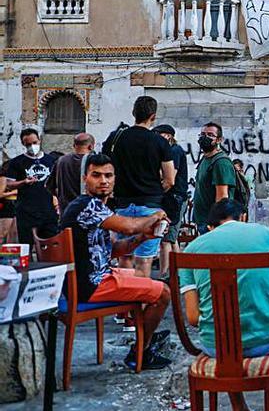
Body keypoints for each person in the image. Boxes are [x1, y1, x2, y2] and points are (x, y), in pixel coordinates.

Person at [179, 199, 269, 411]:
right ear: (243, 217)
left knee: (226, 336)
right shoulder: (267, 236)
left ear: (210, 227)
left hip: (215, 347)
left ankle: (240, 407)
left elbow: (193, 317)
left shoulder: (191, 250)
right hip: (267, 338)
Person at [60, 154, 172, 370]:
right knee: (164, 292)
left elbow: (114, 249)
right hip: (91, 285)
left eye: (108, 175)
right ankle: (141, 351)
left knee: (140, 277)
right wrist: (155, 216)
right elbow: (129, 226)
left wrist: (143, 237)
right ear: (85, 179)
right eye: (96, 175)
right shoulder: (87, 205)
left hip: (94, 277)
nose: (103, 180)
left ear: (114, 179)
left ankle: (143, 332)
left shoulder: (94, 207)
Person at [110, 96, 176, 279]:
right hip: (150, 207)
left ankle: (126, 304)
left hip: (122, 205)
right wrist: (153, 192)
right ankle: (142, 302)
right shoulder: (160, 142)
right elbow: (170, 180)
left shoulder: (118, 138)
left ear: (133, 113)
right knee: (145, 259)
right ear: (153, 116)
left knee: (124, 256)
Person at [5, 129, 59, 245]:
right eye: (28, 144)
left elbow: (57, 184)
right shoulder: (16, 162)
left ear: (39, 140)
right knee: (26, 245)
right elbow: (9, 185)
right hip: (26, 212)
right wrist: (23, 182)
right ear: (23, 144)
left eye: (34, 142)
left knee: (51, 245)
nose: (32, 146)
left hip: (48, 211)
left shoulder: (51, 160)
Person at [153, 125, 188, 279]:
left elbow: (170, 179)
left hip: (174, 199)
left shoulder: (174, 151)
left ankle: (165, 274)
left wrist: (156, 193)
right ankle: (178, 273)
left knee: (167, 239)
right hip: (175, 198)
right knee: (171, 239)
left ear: (167, 136)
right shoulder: (171, 151)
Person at [192, 122, 237, 235]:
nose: (205, 137)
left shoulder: (221, 162)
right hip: (203, 221)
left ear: (219, 140)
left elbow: (222, 197)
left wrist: (215, 224)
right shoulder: (205, 159)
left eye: (210, 135)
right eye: (202, 134)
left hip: (212, 224)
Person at [46, 132, 95, 215]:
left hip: (66, 211)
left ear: (74, 145)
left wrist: (62, 197)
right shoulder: (94, 161)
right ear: (91, 146)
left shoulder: (61, 161)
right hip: (89, 211)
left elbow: (49, 186)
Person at [0, 160, 17, 243]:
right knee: (3, 233)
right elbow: (0, 194)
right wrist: (15, 192)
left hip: (16, 204)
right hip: (8, 205)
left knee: (12, 233)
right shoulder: (3, 178)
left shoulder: (14, 178)